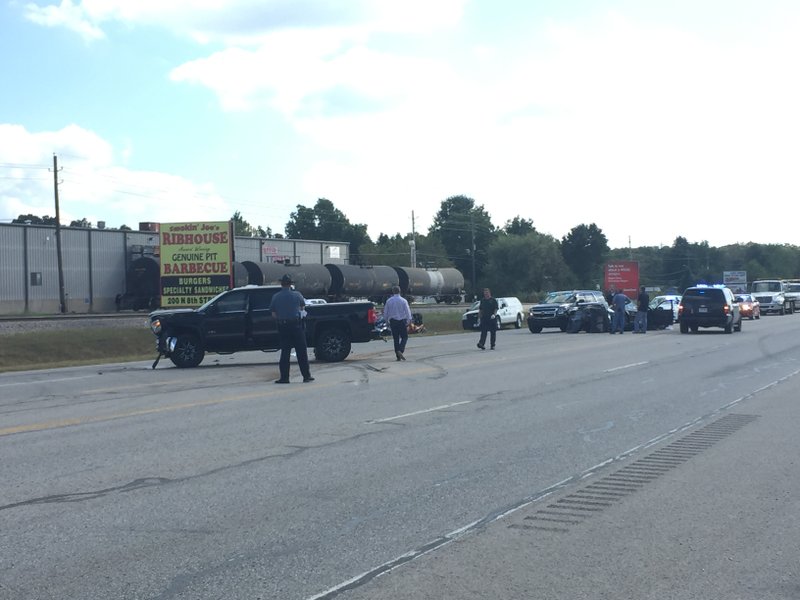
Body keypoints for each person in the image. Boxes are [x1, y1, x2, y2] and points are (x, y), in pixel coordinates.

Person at [269, 274, 314, 383]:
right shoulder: (297, 295)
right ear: (290, 284)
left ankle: (284, 378)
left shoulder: (276, 297)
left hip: (283, 326)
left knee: (285, 352)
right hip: (297, 326)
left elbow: (273, 314)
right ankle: (306, 376)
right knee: (301, 352)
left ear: (281, 284)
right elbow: (302, 308)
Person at [382, 286, 413, 361]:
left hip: (393, 321)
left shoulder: (389, 301)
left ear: (393, 292)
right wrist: (409, 320)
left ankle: (398, 356)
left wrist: (386, 321)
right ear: (400, 291)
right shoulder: (403, 300)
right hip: (402, 321)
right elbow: (407, 311)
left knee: (396, 338)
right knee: (404, 337)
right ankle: (401, 350)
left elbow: (386, 312)